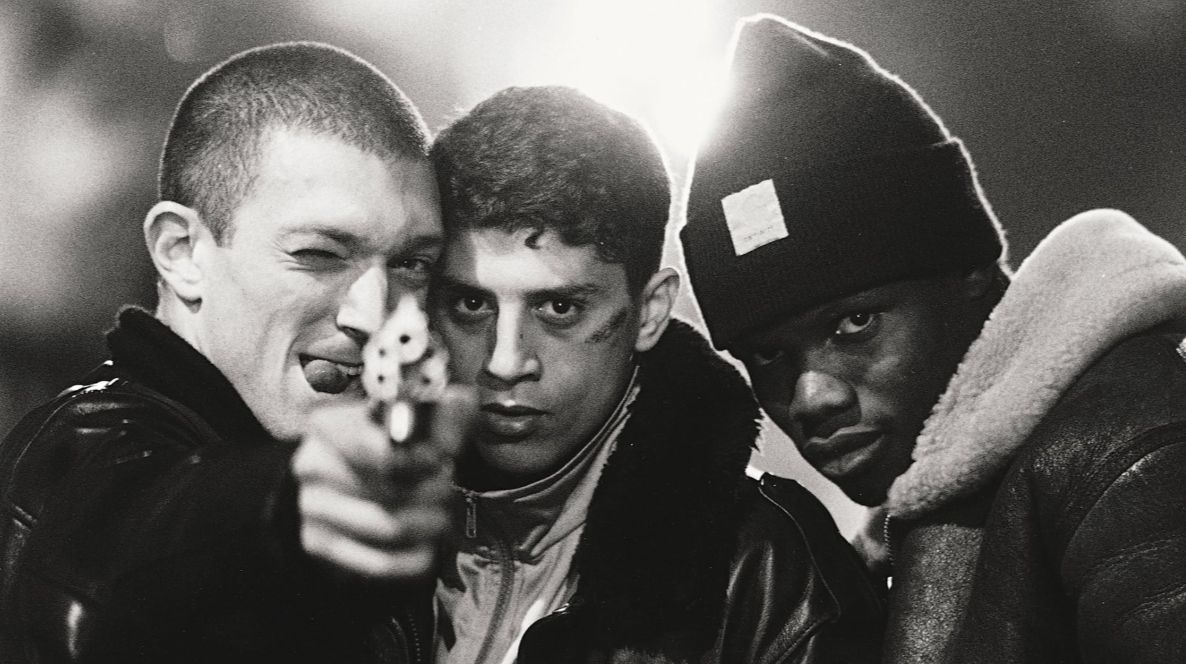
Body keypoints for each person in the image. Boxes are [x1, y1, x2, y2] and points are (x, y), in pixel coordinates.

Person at [680, 13, 1186, 663]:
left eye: (853, 324)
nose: (810, 398)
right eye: (768, 355)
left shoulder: (1127, 445)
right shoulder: (902, 538)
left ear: (969, 273)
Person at [0, 42, 472, 662]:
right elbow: (137, 535)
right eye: (319, 255)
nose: (373, 313)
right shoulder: (86, 454)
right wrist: (288, 506)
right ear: (182, 253)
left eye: (412, 264)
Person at [420, 85, 884, 663]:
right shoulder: (323, 530)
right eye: (471, 305)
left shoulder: (772, 575)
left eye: (559, 308)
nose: (505, 361)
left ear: (651, 312)